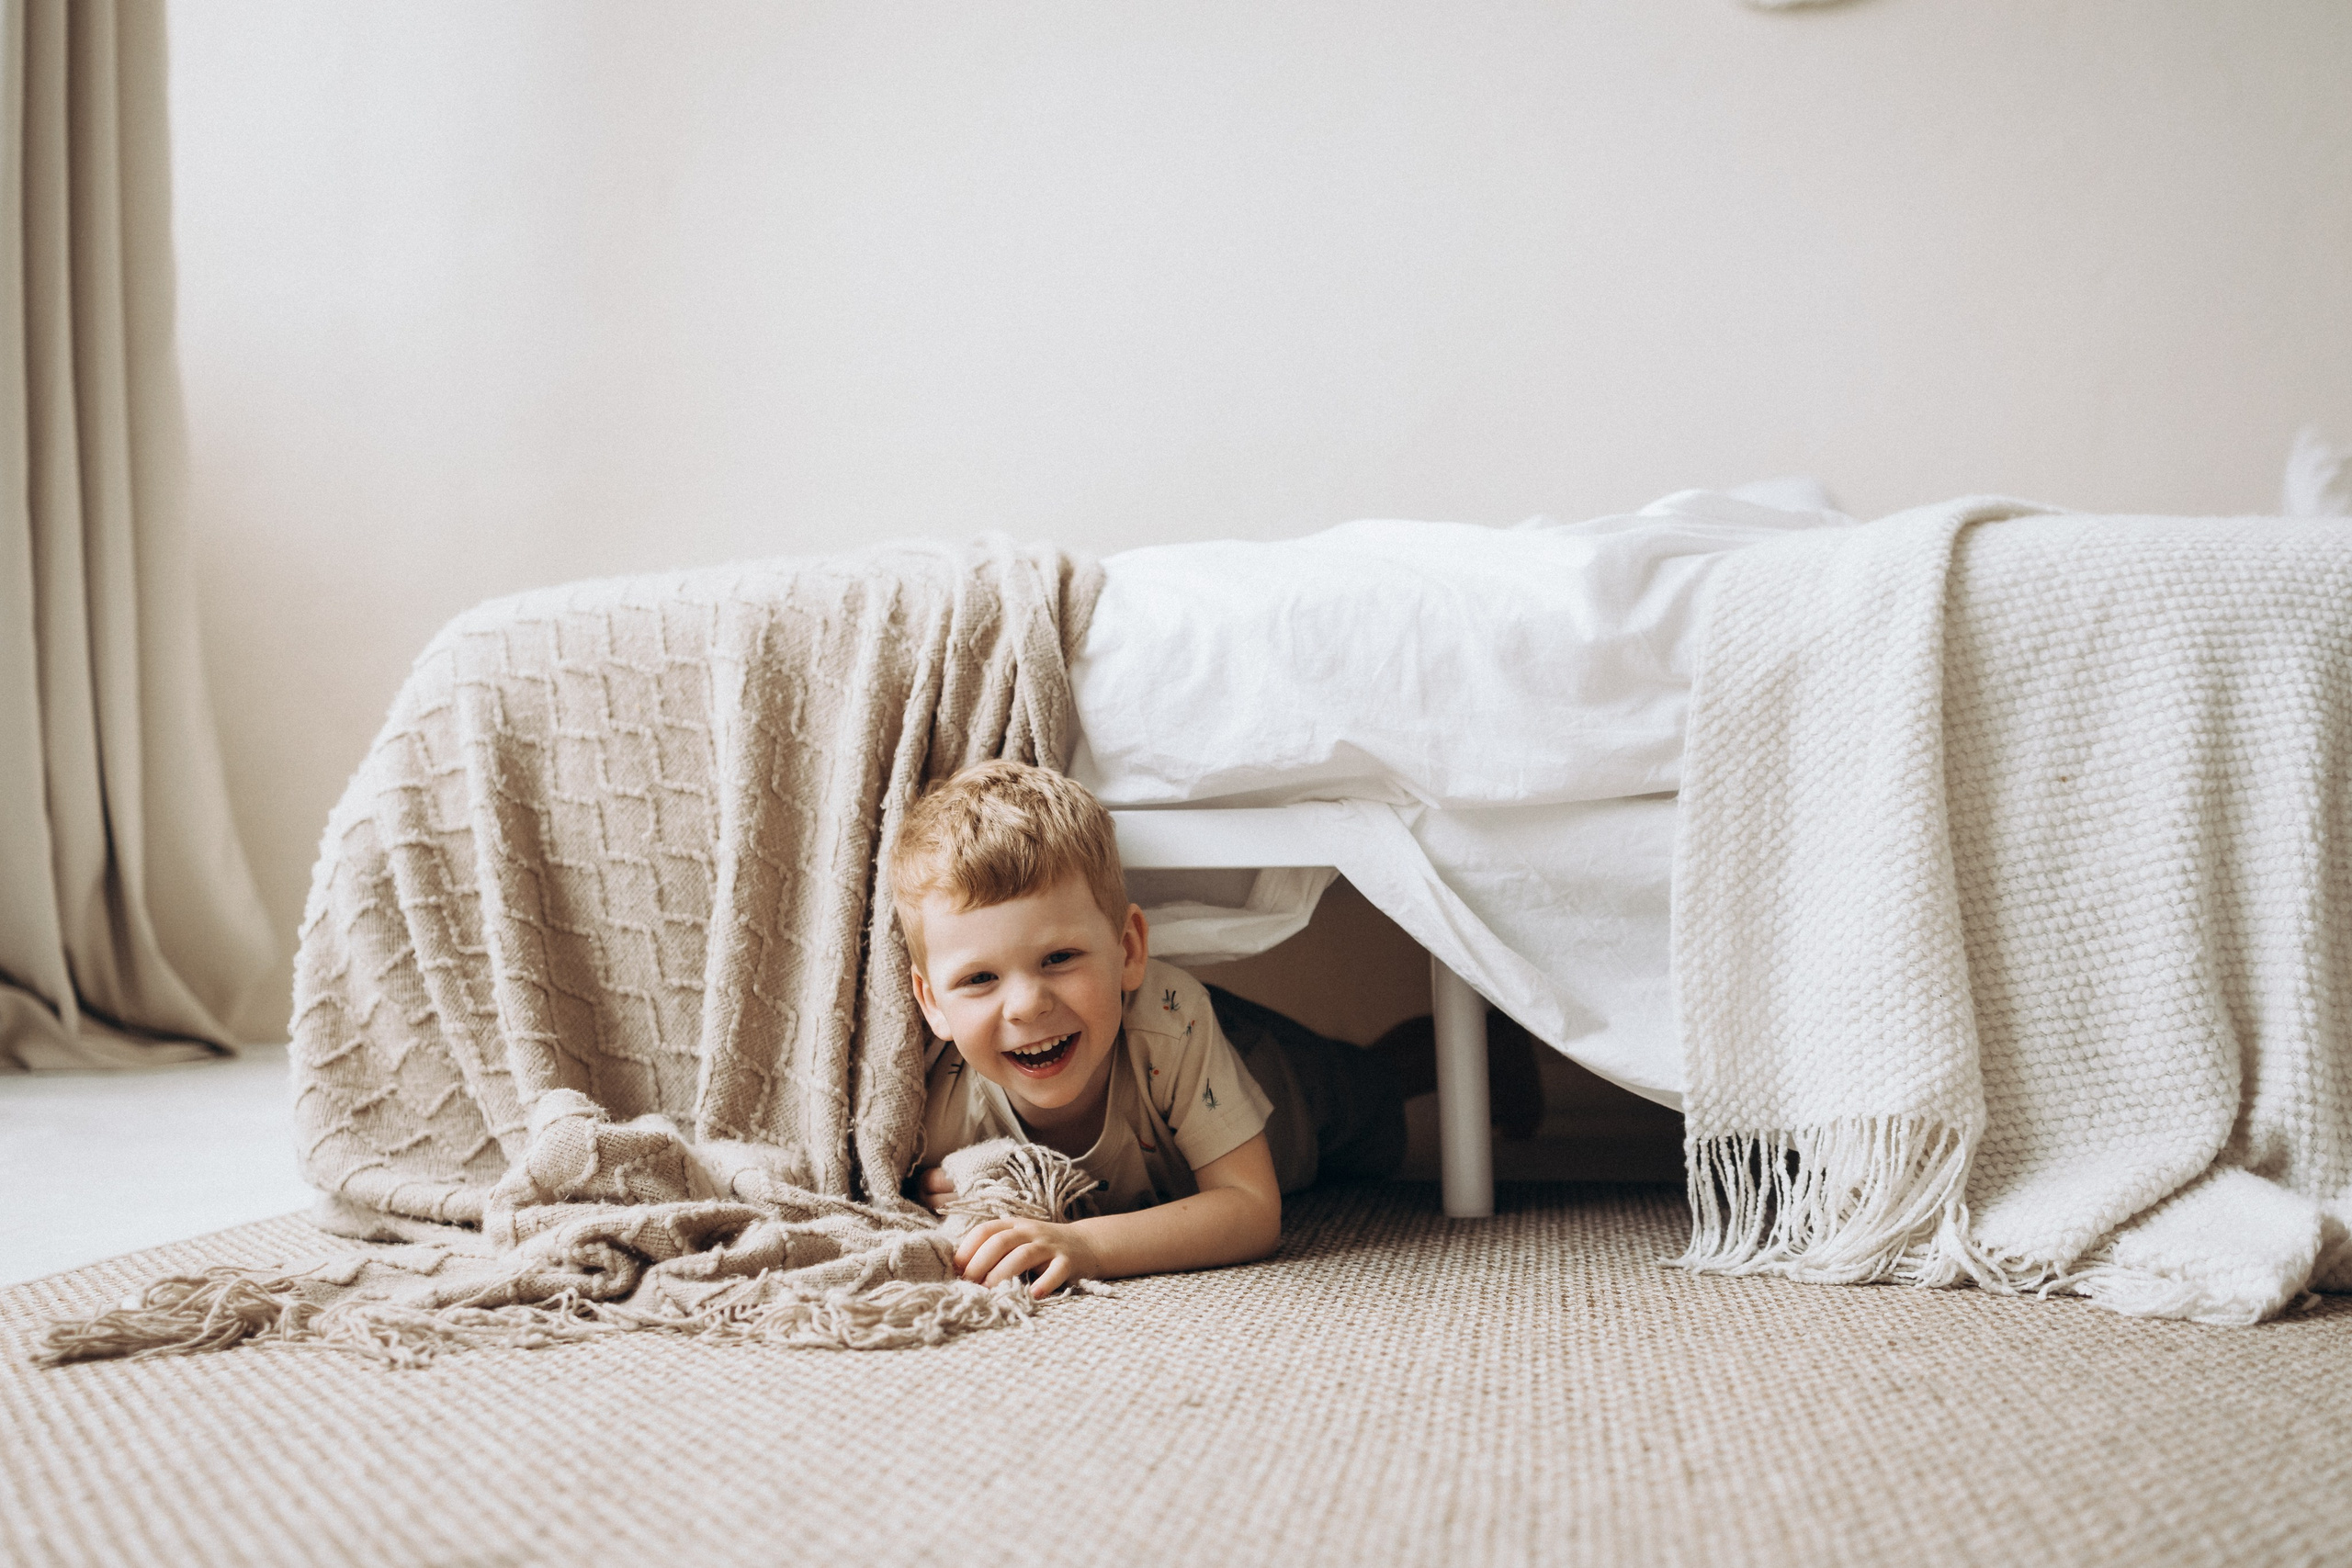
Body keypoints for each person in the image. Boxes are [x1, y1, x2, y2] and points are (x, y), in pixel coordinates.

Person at [891, 759, 1541, 1299]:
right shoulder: (936, 1103)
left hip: (1264, 1080)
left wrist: (1085, 1243)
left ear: (1129, 949)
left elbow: (1251, 1209)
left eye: (1059, 958)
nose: (1028, 1005)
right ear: (932, 1003)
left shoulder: (1171, 1019)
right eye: (980, 979)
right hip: (1158, 1047)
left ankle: (1487, 1046)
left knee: (1365, 1089)